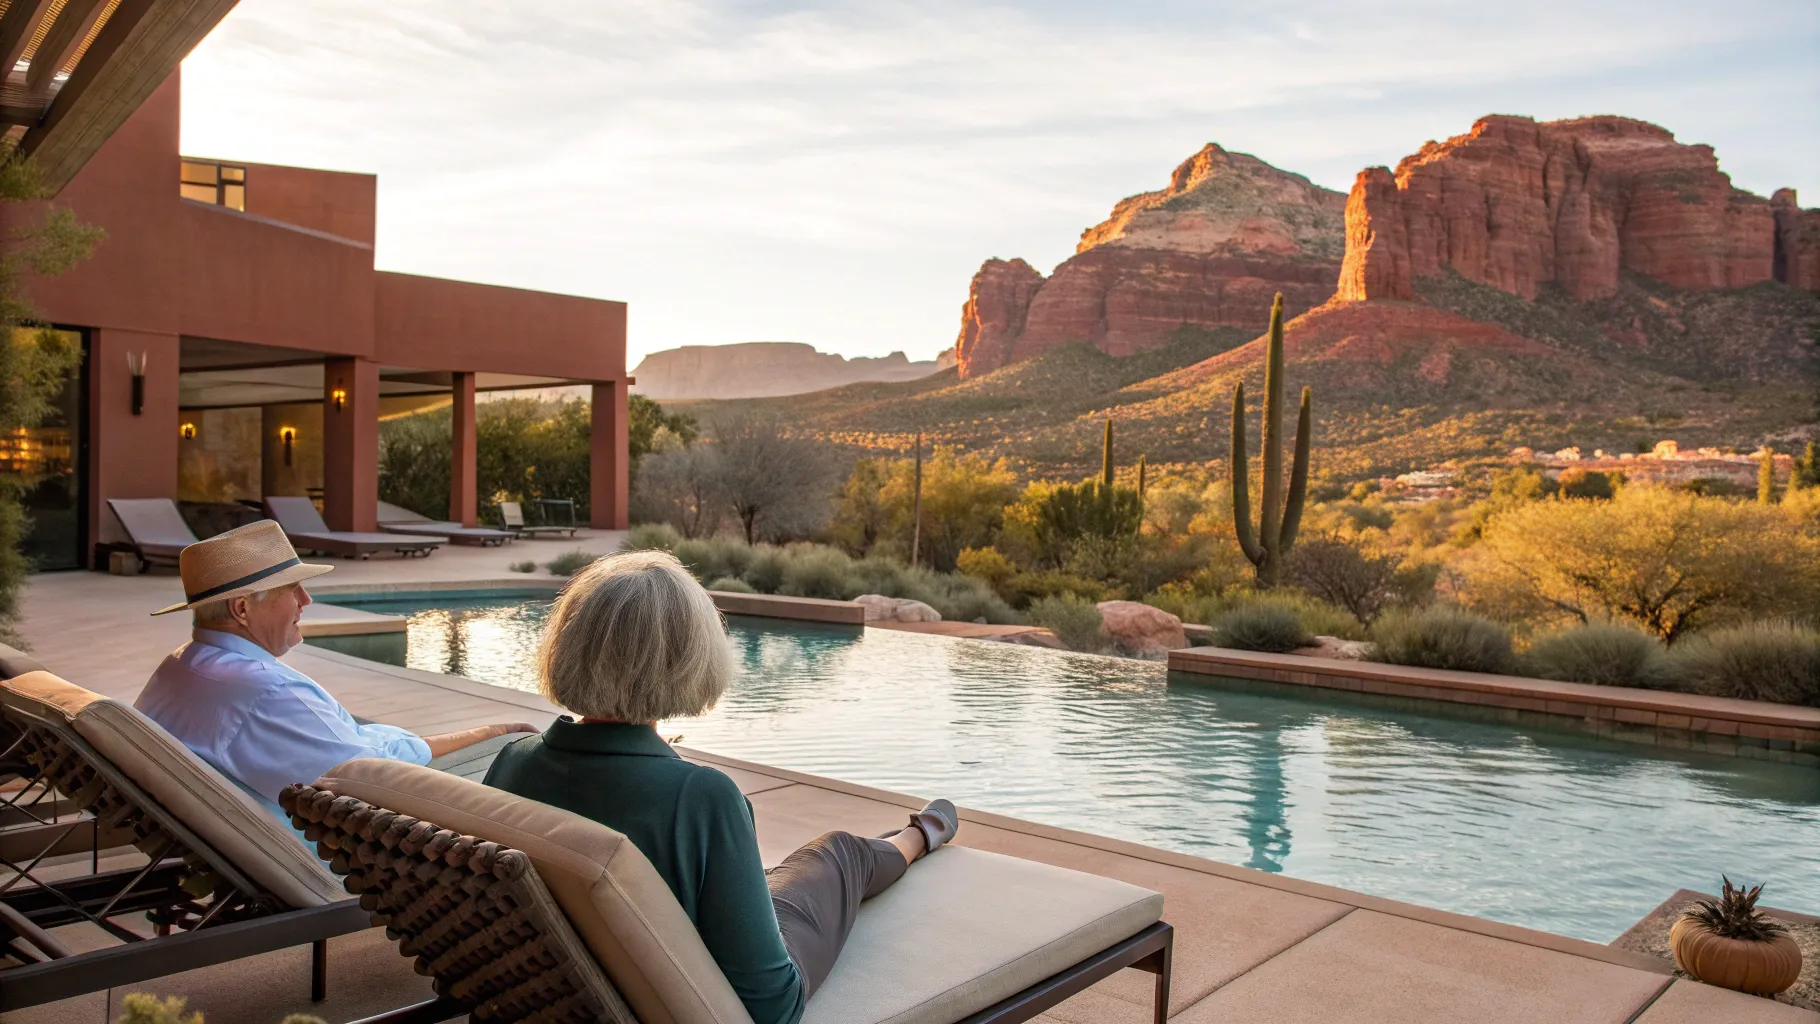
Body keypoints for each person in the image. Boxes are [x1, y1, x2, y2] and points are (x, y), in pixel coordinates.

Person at [485, 550, 958, 1024]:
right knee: (839, 856)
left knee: (805, 868)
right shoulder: (699, 798)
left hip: (548, 985)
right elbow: (772, 1007)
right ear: (690, 658)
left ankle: (907, 838)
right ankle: (920, 835)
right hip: (663, 995)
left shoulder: (514, 764)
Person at [136, 519, 535, 828]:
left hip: (232, 832)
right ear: (242, 610)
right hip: (336, 851)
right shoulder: (269, 691)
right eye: (292, 589)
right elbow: (371, 773)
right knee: (511, 762)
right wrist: (489, 734)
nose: (306, 600)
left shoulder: (180, 666)